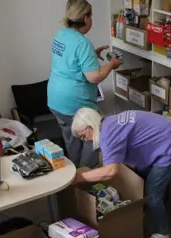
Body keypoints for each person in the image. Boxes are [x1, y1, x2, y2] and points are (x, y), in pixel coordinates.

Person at [70, 108, 171, 238]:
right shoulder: (109, 121)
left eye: (84, 136)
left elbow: (110, 171)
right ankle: (143, 212)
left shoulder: (108, 134)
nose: (86, 140)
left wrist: (80, 177)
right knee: (140, 175)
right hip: (167, 135)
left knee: (152, 193)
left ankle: (162, 232)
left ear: (89, 127)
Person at [48, 0, 122, 168]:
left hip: (56, 100)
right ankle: (86, 178)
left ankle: (74, 176)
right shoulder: (83, 43)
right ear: (86, 18)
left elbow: (70, 61)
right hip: (75, 104)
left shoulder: (61, 34)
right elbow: (94, 77)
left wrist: (91, 56)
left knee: (72, 139)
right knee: (93, 138)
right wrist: (112, 64)